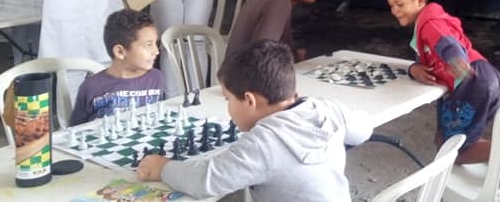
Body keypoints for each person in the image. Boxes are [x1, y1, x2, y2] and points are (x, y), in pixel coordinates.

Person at [136, 39, 373, 202]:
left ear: (249, 100)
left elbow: (205, 181)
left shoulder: (264, 143)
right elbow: (363, 131)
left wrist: (164, 168)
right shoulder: (327, 109)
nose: (228, 106)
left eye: (228, 98)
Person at [383, 0, 500, 165]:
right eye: (391, 5)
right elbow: (427, 57)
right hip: (486, 79)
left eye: (399, 4)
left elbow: (446, 43)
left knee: (453, 150)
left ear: (420, 0)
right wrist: (414, 69)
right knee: (451, 139)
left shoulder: (430, 23)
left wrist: (457, 60)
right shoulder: (430, 20)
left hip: (473, 83)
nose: (394, 11)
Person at [70, 10, 164, 125]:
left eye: (155, 43)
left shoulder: (156, 78)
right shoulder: (91, 87)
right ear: (120, 52)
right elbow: (76, 128)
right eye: (148, 45)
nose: (156, 51)